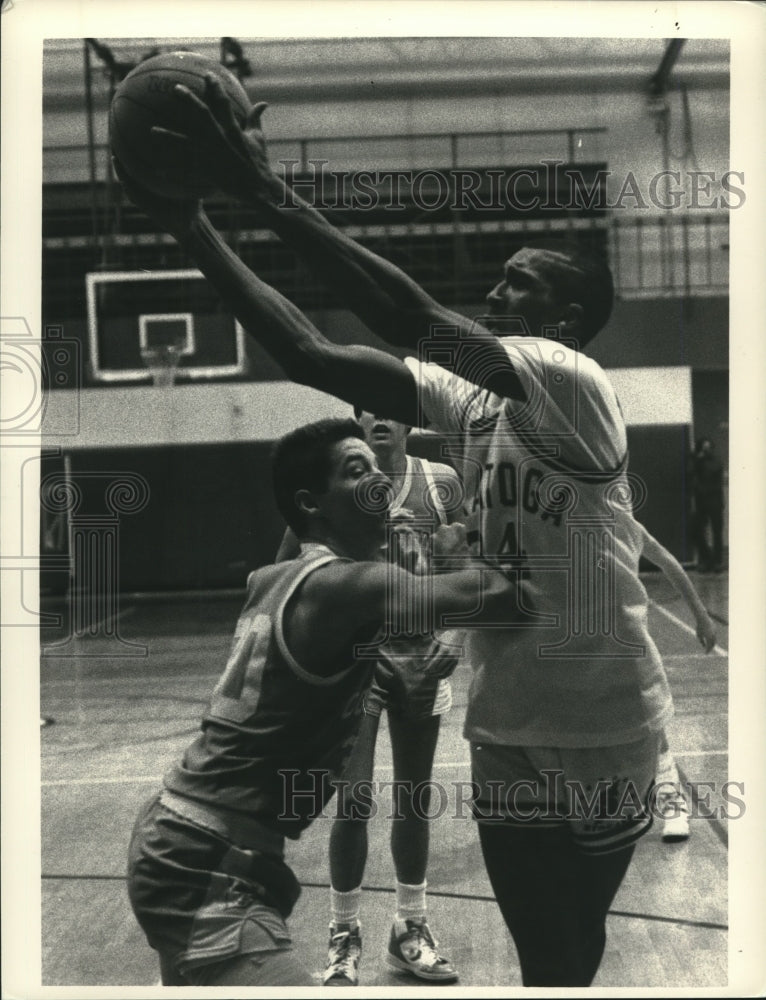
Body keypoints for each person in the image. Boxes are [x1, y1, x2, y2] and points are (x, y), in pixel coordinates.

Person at [116, 76, 675, 986]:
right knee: (545, 957)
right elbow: (312, 355)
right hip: (504, 728)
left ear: (566, 322)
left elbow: (414, 320)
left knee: (576, 951)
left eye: (518, 285)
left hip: (606, 717)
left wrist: (265, 191)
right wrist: (192, 229)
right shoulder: (474, 400)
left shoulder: (571, 382)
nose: (495, 291)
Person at [126, 417, 519, 987]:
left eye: (376, 467)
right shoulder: (354, 586)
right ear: (313, 504)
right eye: (357, 472)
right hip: (203, 858)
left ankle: (401, 924)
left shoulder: (273, 578)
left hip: (190, 835)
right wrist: (484, 535)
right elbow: (500, 595)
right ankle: (348, 931)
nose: (379, 482)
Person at [279, 411, 464, 985]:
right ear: (357, 422)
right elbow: (285, 569)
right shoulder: (334, 492)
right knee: (353, 799)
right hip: (354, 663)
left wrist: (451, 639)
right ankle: (344, 932)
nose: (378, 419)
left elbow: (469, 569)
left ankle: (410, 926)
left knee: (414, 797)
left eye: (388, 410)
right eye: (366, 410)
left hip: (418, 659)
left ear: (408, 422)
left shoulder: (438, 483)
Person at [626, 516, 717, 842]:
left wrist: (702, 617)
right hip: (583, 647)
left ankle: (671, 801)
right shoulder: (563, 527)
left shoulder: (624, 523)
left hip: (628, 644)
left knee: (653, 727)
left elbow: (671, 565)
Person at [689, 438, 725, 572]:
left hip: (714, 501)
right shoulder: (696, 460)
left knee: (717, 532)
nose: (706, 451)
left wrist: (701, 460)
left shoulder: (715, 460)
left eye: (708, 448)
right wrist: (698, 460)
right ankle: (707, 559)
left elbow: (714, 471)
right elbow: (690, 472)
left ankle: (717, 562)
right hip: (701, 502)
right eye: (704, 448)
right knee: (697, 531)